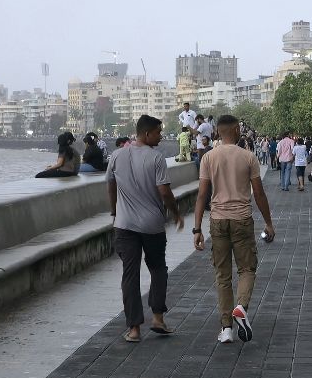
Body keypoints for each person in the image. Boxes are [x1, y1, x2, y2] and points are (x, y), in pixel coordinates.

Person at [193, 115, 275, 344]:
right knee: (247, 268)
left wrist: (197, 229)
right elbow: (258, 193)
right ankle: (241, 306)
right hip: (241, 219)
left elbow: (202, 195)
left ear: (217, 133)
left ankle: (226, 328)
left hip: (217, 220)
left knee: (222, 275)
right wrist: (268, 223)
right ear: (238, 130)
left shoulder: (208, 157)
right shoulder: (248, 157)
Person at [106, 114, 184, 342]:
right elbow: (164, 192)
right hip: (152, 225)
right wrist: (176, 213)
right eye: (158, 132)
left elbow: (111, 186)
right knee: (158, 268)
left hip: (125, 224)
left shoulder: (116, 155)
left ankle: (134, 329)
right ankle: (158, 318)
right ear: (147, 134)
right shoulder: (156, 158)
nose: (160, 136)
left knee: (130, 275)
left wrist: (114, 211)